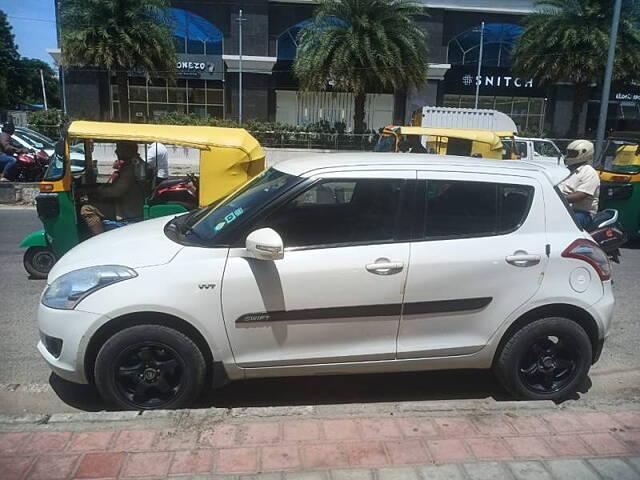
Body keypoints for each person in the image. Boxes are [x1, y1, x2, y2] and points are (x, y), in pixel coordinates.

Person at [80, 141, 145, 236]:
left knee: (86, 209)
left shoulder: (130, 169)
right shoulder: (131, 165)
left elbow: (116, 191)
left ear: (128, 150)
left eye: (119, 148)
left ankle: (100, 240)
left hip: (126, 208)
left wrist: (96, 190)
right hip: (123, 203)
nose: (116, 151)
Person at [559, 139, 600, 228]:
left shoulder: (589, 172)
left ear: (584, 153)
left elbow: (581, 195)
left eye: (573, 153)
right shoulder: (567, 170)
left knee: (564, 224)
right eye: (569, 153)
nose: (569, 156)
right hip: (563, 207)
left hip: (582, 213)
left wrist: (558, 199)